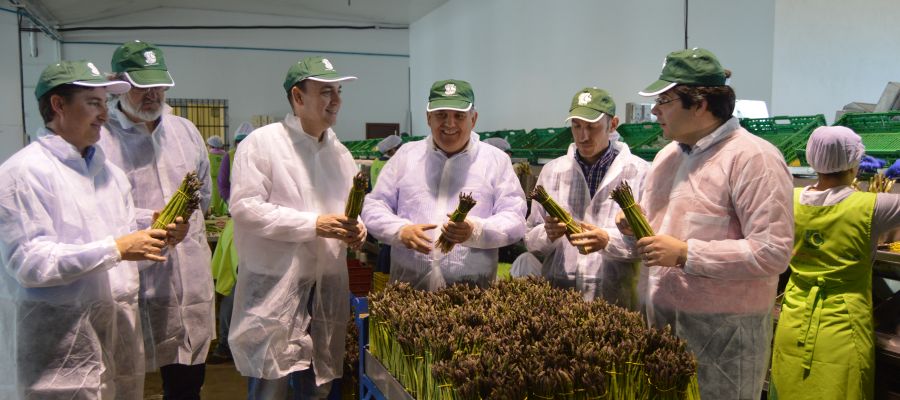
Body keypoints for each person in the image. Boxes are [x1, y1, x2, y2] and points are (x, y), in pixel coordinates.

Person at [610, 48, 793, 399]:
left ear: (700, 104)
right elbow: (659, 241)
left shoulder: (753, 159)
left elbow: (772, 252)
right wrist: (634, 228)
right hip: (660, 325)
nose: (655, 110)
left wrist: (685, 253)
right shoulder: (667, 157)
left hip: (722, 339)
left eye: (665, 100)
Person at [0, 60, 186, 399]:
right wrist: (117, 247)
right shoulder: (23, 173)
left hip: (117, 338)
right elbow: (29, 262)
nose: (104, 114)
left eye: (104, 103)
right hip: (58, 350)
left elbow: (124, 251)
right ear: (58, 105)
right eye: (93, 103)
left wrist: (157, 236)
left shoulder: (109, 174)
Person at [228, 56, 365, 399]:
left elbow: (349, 209)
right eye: (325, 92)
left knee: (319, 382)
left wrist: (357, 228)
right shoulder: (262, 144)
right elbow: (245, 209)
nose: (335, 100)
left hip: (325, 286)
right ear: (298, 97)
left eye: (338, 91)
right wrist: (314, 224)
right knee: (270, 381)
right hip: (275, 287)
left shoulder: (340, 154)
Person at [98, 40, 215, 400]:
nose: (152, 94)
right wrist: (146, 221)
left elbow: (204, 197)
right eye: (140, 85)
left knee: (186, 384)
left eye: (158, 85)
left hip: (187, 281)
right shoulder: (100, 137)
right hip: (127, 282)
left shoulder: (185, 132)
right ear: (117, 84)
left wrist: (185, 220)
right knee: (121, 380)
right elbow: (92, 208)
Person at [769, 126, 900, 399]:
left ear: (811, 158)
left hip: (794, 316)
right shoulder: (873, 206)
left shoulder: (788, 198)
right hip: (843, 324)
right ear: (855, 162)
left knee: (791, 386)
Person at [362, 79, 527, 290]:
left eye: (459, 116)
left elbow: (515, 218)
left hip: (472, 294)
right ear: (428, 117)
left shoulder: (495, 161)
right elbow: (374, 206)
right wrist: (400, 230)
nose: (449, 124)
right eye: (441, 115)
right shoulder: (406, 157)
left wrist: (475, 230)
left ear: (473, 119)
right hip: (407, 292)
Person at [524, 87, 648, 306]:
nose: (583, 136)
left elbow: (648, 243)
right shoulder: (553, 171)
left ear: (613, 124)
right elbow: (530, 238)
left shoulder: (640, 172)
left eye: (592, 127)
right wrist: (547, 233)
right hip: (559, 294)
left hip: (616, 295)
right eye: (577, 126)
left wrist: (607, 240)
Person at [207, 135, 229, 216]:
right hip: (225, 184)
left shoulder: (208, 156)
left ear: (211, 146)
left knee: (213, 204)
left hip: (212, 185)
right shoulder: (226, 156)